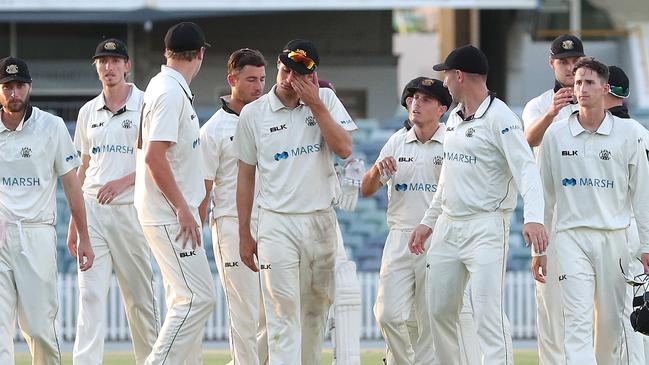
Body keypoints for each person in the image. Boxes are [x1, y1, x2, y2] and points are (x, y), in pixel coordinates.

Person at [408, 45, 548, 365]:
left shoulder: (501, 117)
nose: (443, 82)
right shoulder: (455, 118)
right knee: (439, 312)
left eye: (446, 75)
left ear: (458, 76)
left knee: (487, 313)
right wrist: (428, 221)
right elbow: (448, 178)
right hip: (448, 226)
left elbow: (526, 168)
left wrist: (534, 218)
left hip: (486, 225)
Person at [234, 39, 357, 364]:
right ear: (278, 67)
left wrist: (316, 105)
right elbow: (245, 176)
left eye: (299, 75)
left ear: (313, 77)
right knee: (282, 309)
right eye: (285, 71)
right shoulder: (254, 113)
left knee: (316, 310)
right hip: (276, 223)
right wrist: (245, 233)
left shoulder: (325, 100)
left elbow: (345, 149)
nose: (289, 80)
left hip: (319, 221)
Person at [537, 57, 649, 365]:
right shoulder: (555, 134)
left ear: (604, 87)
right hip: (571, 237)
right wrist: (539, 251)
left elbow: (641, 194)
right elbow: (545, 196)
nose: (582, 88)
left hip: (614, 240)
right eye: (577, 82)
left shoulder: (629, 134)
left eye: (589, 82)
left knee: (612, 328)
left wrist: (647, 246)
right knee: (577, 322)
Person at [68, 38, 158, 365]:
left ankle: (151, 360)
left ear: (127, 65)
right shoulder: (87, 111)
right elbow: (84, 167)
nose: (109, 67)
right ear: (96, 68)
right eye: (102, 62)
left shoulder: (147, 105)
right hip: (92, 211)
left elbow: (157, 159)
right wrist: (75, 225)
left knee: (138, 300)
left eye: (115, 61)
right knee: (89, 296)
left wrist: (123, 181)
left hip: (131, 212)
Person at [0, 56, 94, 365]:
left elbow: (72, 186)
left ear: (30, 87)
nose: (14, 93)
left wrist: (84, 236)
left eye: (19, 86)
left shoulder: (51, 126)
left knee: (39, 330)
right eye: (7, 87)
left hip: (36, 233)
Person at [134, 22, 216, 364]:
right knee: (198, 298)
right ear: (199, 54)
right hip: (169, 215)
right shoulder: (168, 93)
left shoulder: (162, 85)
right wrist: (183, 208)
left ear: (168, 53)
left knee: (181, 298)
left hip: (166, 211)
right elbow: (153, 156)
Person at [361, 78, 450, 364]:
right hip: (399, 236)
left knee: (427, 319)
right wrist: (376, 170)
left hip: (436, 238)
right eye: (412, 98)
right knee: (386, 314)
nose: (415, 104)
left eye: (425, 100)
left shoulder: (452, 141)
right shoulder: (397, 141)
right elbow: (366, 189)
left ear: (442, 108)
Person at [199, 47, 268, 365]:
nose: (259, 86)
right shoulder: (212, 130)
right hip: (228, 223)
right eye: (251, 79)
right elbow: (203, 188)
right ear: (232, 79)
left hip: (270, 221)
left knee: (274, 309)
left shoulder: (268, 120)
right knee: (244, 309)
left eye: (263, 79)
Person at [521, 34, 584, 365]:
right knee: (550, 307)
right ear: (552, 64)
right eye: (563, 62)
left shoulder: (595, 104)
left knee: (590, 309)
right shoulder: (537, 104)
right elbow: (527, 142)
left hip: (588, 213)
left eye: (575, 62)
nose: (570, 68)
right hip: (551, 215)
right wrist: (551, 112)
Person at [604, 65, 649, 365]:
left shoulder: (622, 134)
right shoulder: (642, 132)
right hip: (638, 226)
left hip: (626, 226)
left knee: (624, 315)